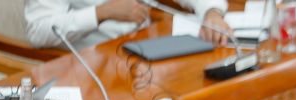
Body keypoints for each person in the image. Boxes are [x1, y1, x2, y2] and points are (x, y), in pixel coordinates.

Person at [25, 0, 231, 50]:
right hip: (95, 64)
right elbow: (39, 30)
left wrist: (212, 12)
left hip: (148, 52)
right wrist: (101, 13)